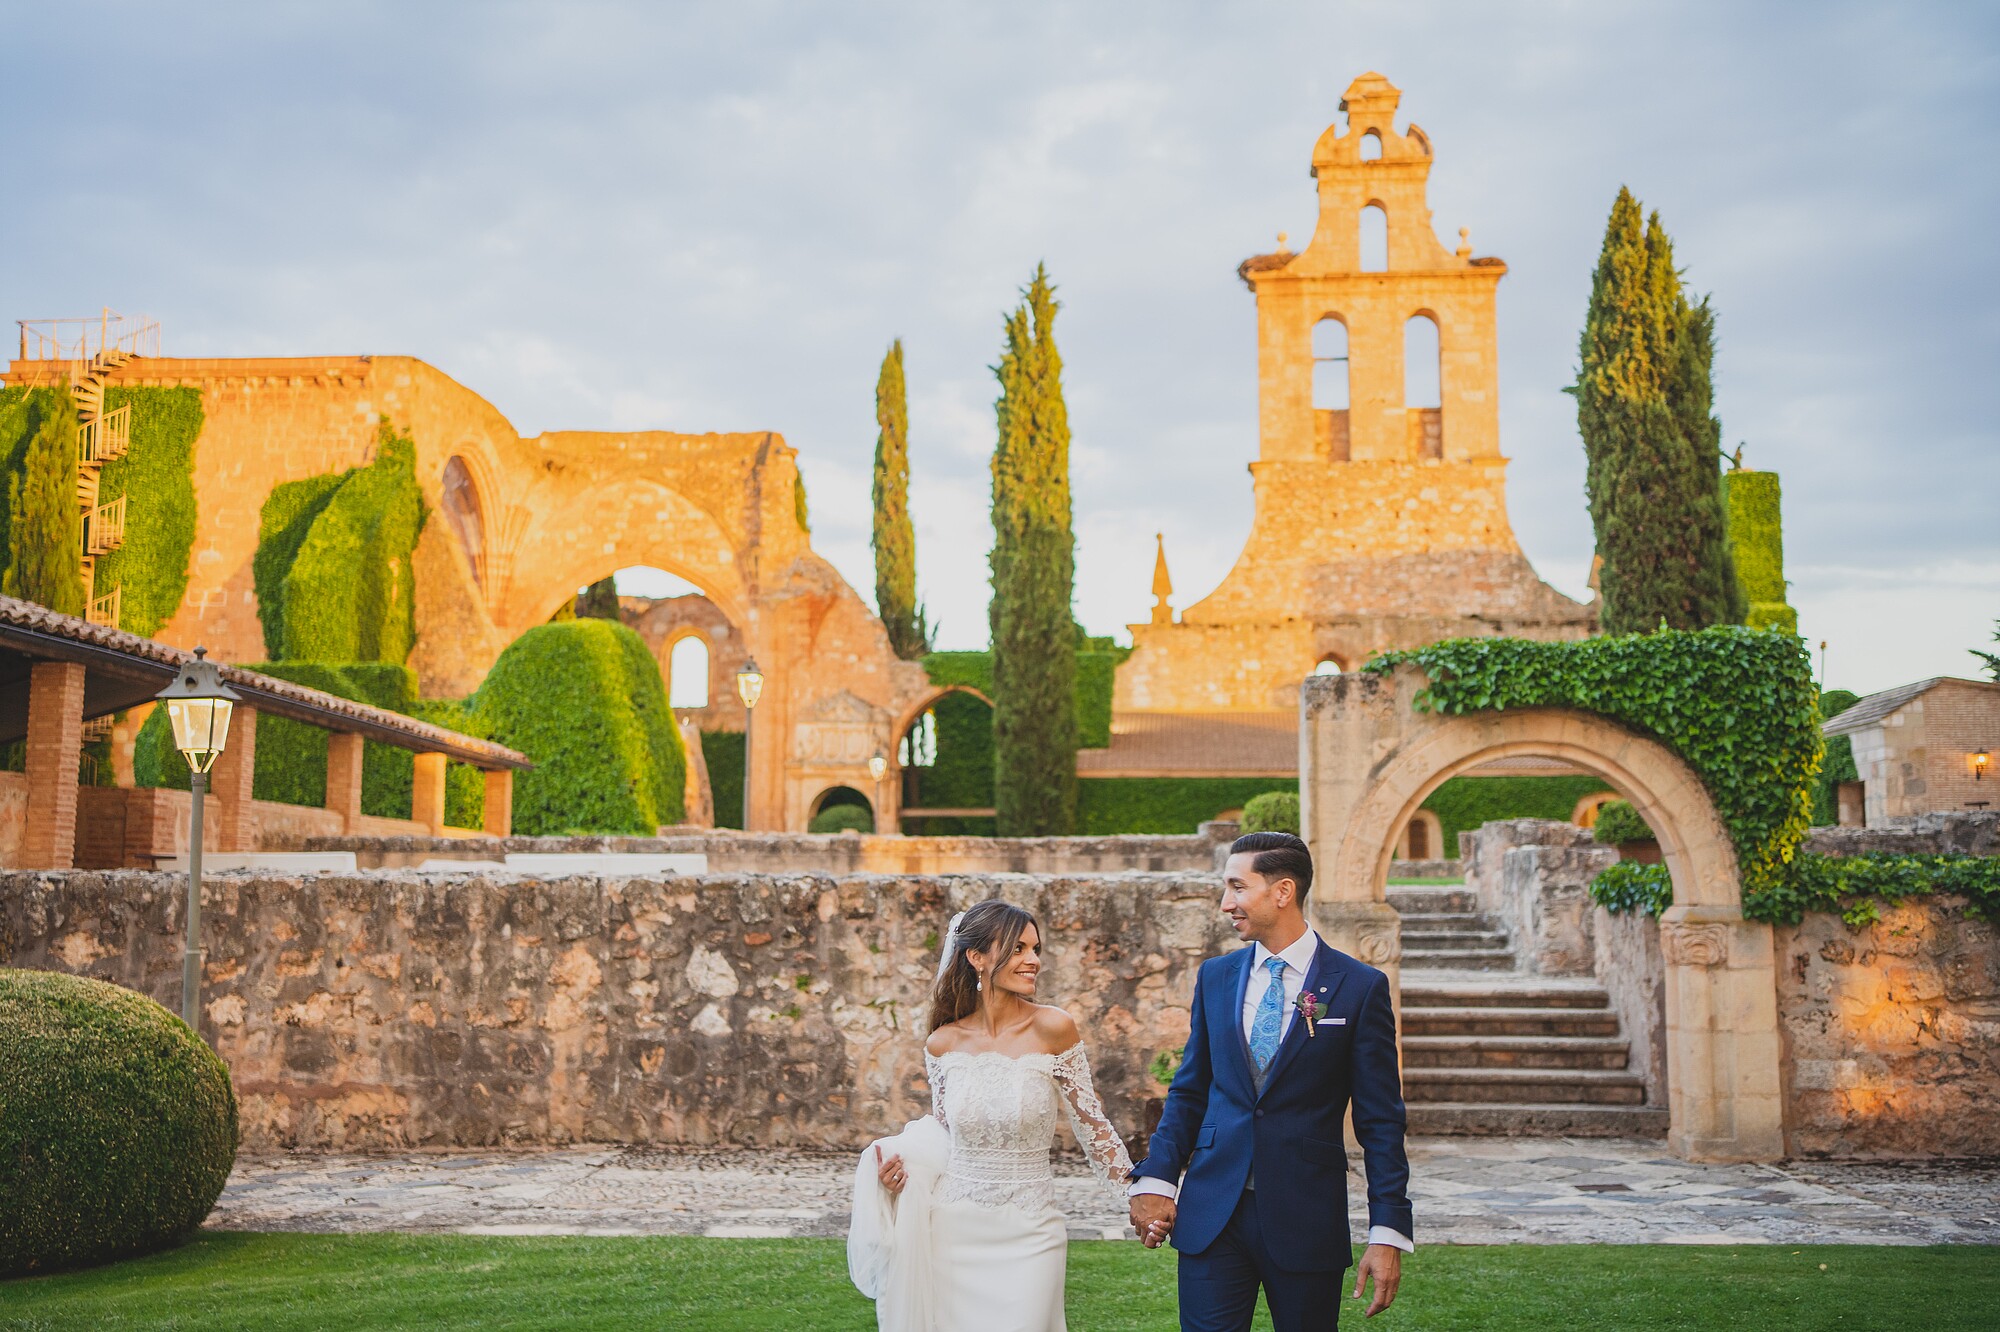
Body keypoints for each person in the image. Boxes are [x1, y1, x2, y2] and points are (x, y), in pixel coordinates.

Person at [1128, 831, 1413, 1330]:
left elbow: (1381, 1120)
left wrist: (1387, 1230)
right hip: (1212, 1213)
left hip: (1306, 1215)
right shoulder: (1215, 976)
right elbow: (1190, 1091)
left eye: (1237, 888)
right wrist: (1157, 1178)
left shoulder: (1361, 987)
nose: (1225, 904)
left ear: (1282, 892)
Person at [848, 899, 1135, 1331]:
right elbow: (945, 1136)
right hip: (953, 1227)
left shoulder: (1055, 1028)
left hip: (1033, 1226)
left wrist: (1139, 1194)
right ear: (976, 957)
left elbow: (1092, 1125)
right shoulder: (942, 1044)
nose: (1033, 960)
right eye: (1018, 949)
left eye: (1035, 949)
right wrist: (899, 1174)